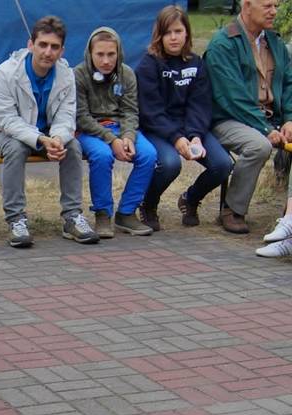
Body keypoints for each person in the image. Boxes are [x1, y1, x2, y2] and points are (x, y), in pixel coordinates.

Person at [0, 15, 99, 247]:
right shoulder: (4, 73)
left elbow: (66, 116)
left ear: (62, 50)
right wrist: (42, 139)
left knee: (72, 145)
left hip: (45, 135)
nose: (47, 52)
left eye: (54, 47)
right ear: (30, 44)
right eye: (42, 45)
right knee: (16, 146)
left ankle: (72, 217)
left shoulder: (66, 75)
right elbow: (8, 121)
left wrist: (59, 139)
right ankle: (16, 220)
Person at [136, 5, 233, 231]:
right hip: (158, 129)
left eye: (178, 31)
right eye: (168, 32)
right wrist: (177, 139)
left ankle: (190, 199)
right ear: (159, 35)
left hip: (191, 128)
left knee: (222, 164)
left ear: (186, 33)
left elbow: (199, 105)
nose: (173, 37)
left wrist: (196, 136)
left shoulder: (196, 63)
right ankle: (148, 204)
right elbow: (150, 111)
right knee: (170, 164)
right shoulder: (148, 64)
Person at [205, 0, 292, 234]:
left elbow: (289, 85)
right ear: (247, 5)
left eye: (276, 5)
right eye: (267, 6)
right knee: (258, 146)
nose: (274, 11)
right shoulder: (223, 44)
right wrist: (266, 129)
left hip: (271, 119)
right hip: (227, 119)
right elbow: (231, 97)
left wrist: (289, 120)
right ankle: (232, 210)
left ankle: (290, 214)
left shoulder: (275, 42)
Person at [75, 27, 157, 238]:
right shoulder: (78, 75)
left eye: (111, 54)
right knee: (102, 156)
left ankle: (127, 212)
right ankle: (103, 213)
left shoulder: (127, 74)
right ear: (90, 54)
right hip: (91, 129)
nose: (105, 61)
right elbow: (81, 116)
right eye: (100, 54)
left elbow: (130, 110)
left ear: (118, 53)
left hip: (121, 127)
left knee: (148, 154)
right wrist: (111, 140)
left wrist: (128, 137)